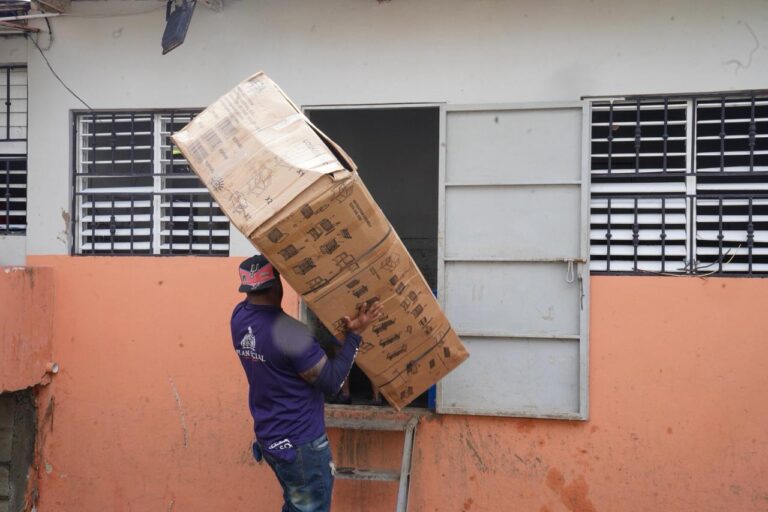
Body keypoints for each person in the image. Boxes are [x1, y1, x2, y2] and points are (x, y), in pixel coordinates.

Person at [231, 254, 383, 512]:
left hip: (270, 439)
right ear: (276, 285)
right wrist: (354, 336)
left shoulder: (239, 317)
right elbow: (333, 382)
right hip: (301, 445)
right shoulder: (290, 332)